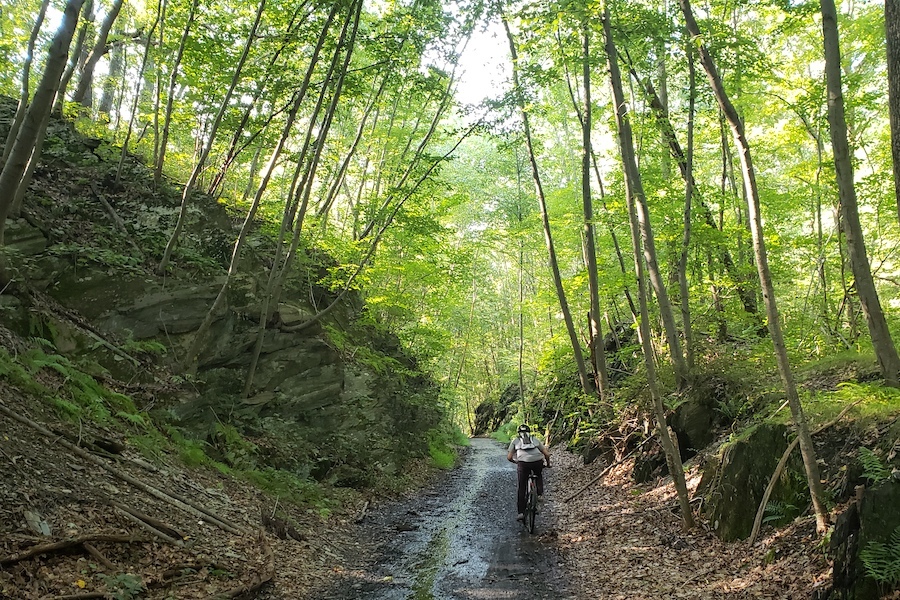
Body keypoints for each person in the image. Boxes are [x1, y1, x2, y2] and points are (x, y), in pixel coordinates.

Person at [507, 424, 551, 521]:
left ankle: (521, 513)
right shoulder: (534, 439)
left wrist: (516, 462)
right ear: (529, 432)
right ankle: (539, 494)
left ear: (518, 433)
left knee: (522, 487)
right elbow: (547, 454)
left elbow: (509, 457)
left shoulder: (515, 441)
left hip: (523, 464)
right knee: (538, 475)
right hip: (537, 462)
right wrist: (548, 464)